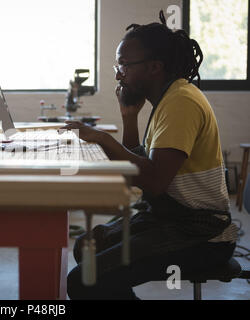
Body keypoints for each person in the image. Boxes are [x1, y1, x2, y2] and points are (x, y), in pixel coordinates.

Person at [61, 11, 239, 300]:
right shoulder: (169, 99)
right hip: (167, 219)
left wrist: (103, 138)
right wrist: (129, 116)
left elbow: (154, 181)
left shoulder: (181, 101)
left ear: (154, 67)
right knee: (86, 247)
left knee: (84, 281)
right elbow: (138, 173)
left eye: (124, 65)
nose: (118, 74)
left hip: (201, 233)